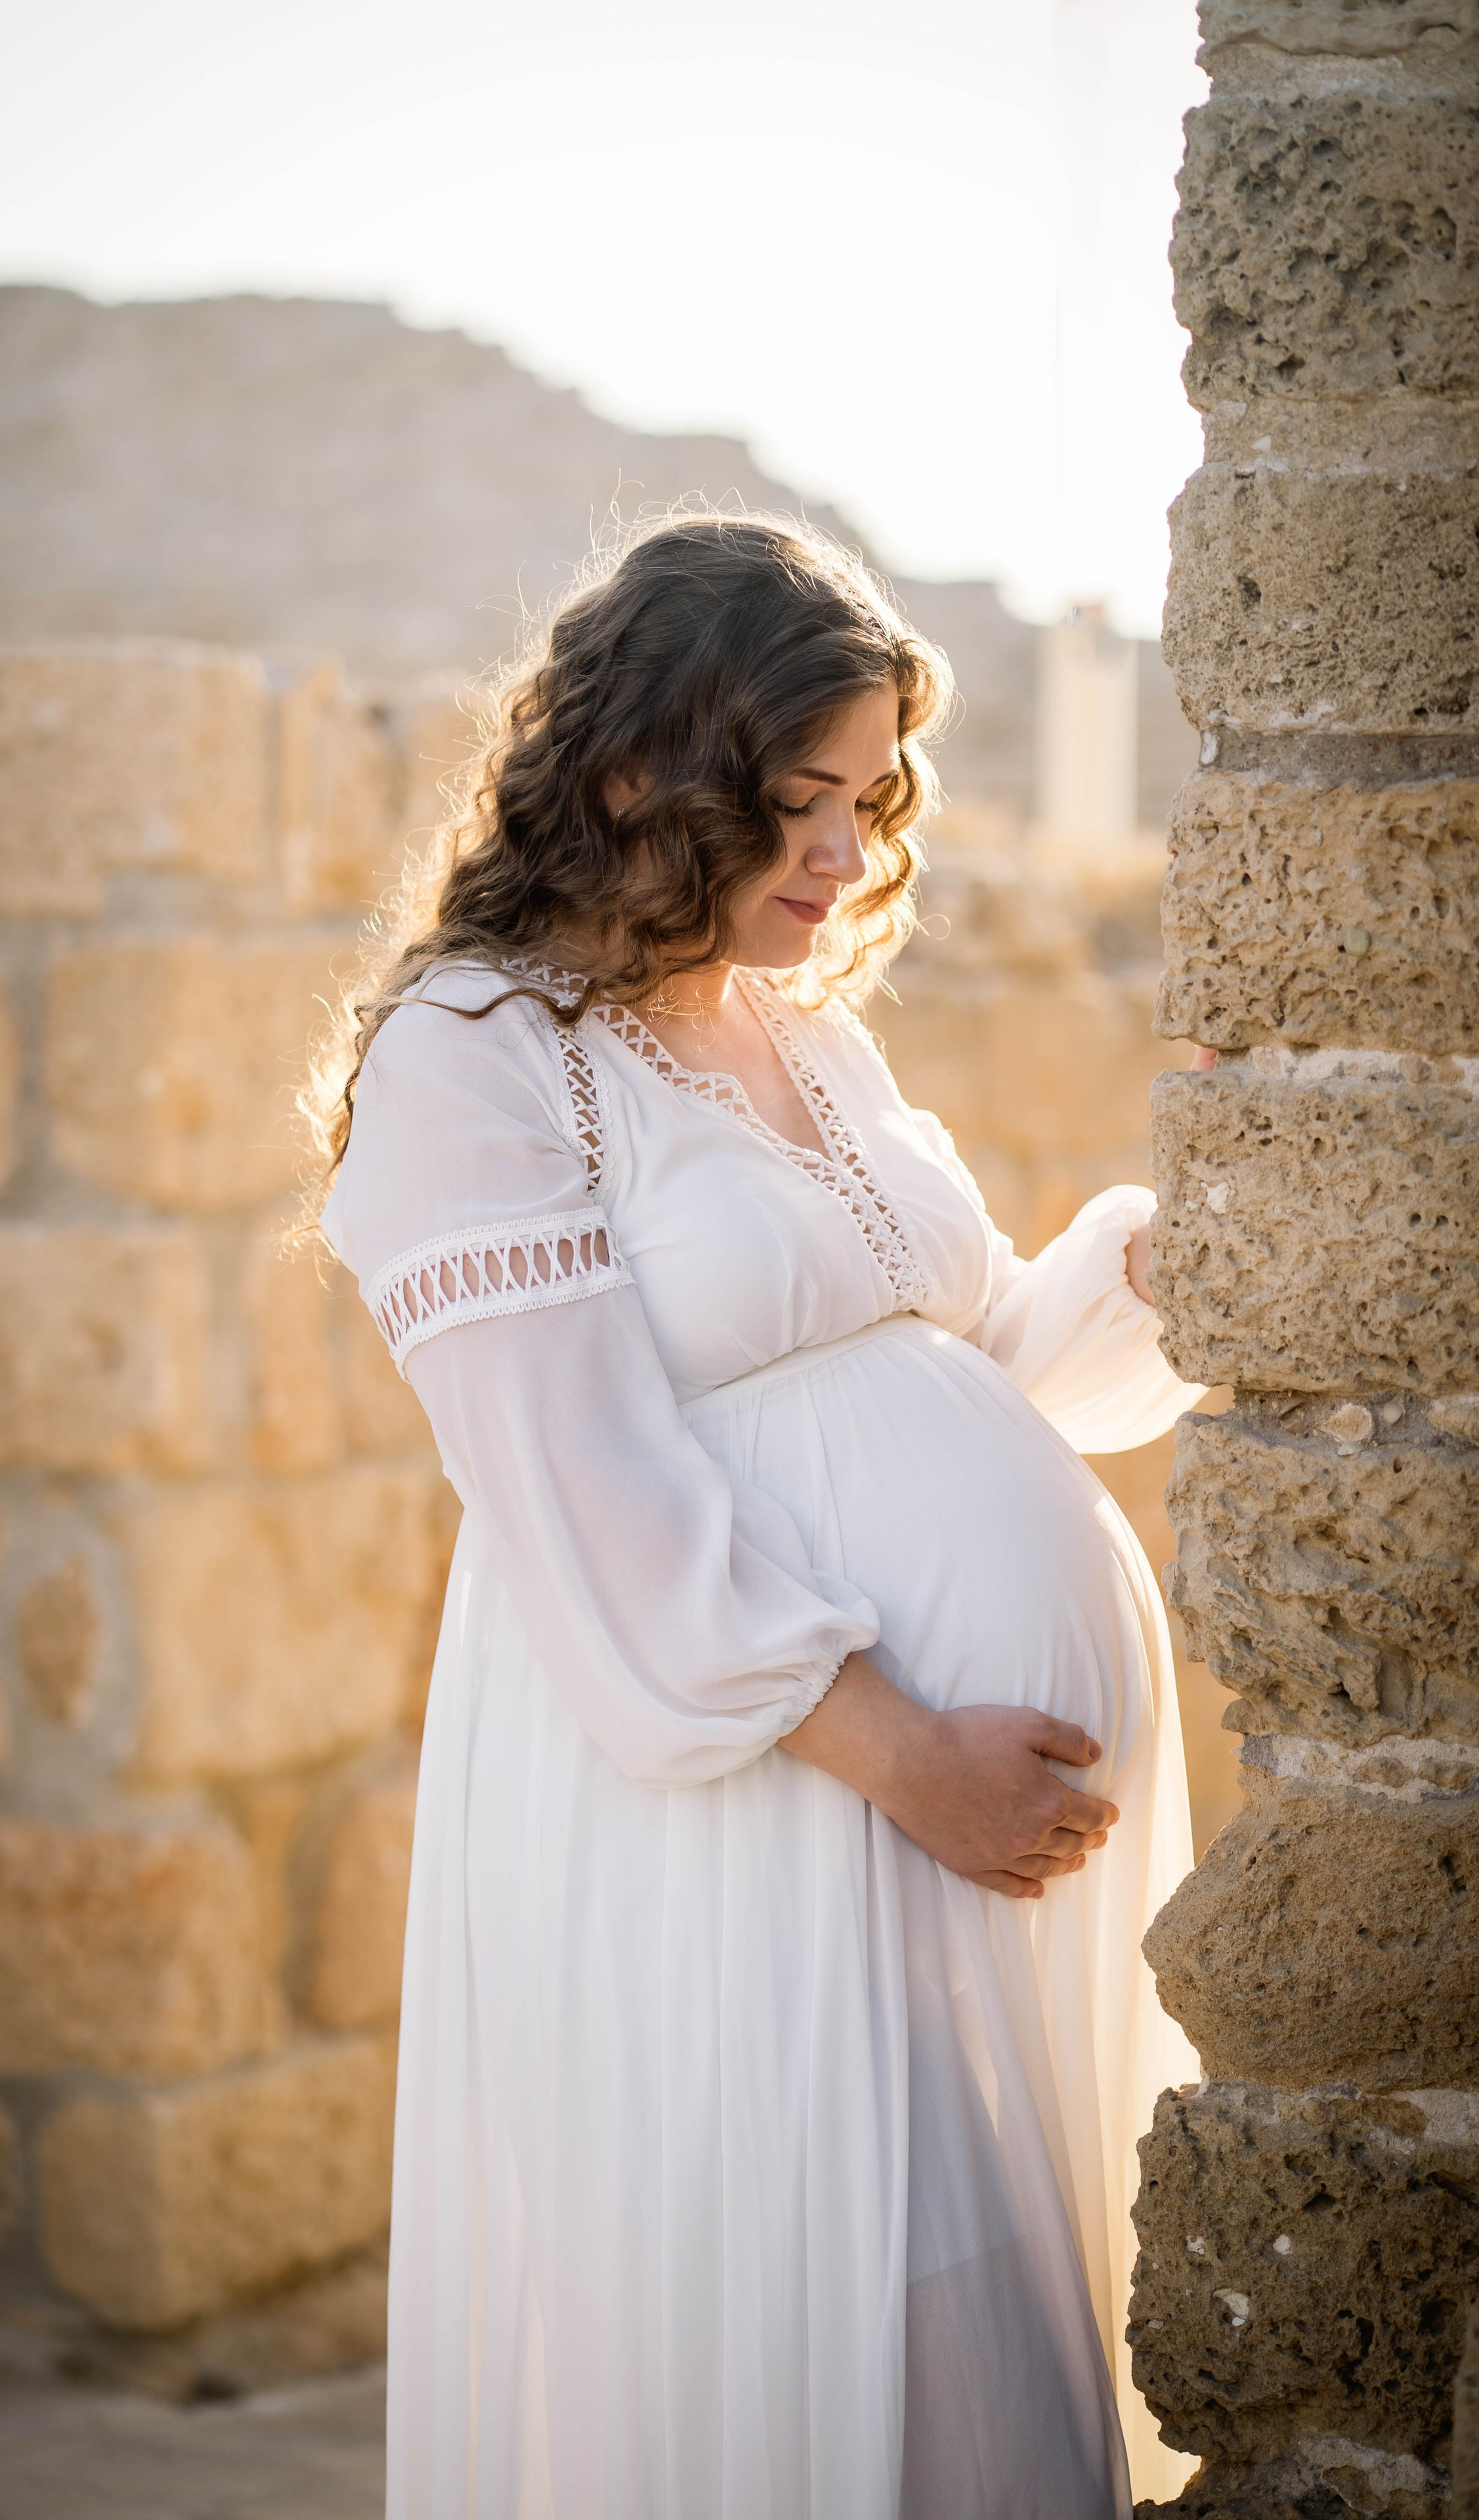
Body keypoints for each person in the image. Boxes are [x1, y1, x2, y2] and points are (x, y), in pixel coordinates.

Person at [314, 513, 1202, 2519]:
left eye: (869, 799)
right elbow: (582, 1492)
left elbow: (971, 1361)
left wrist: (1198, 1224)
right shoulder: (475, 1054)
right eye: (794, 799)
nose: (840, 849)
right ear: (637, 771)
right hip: (760, 1800)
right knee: (853, 2348)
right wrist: (904, 1756)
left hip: (922, 1825)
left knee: (978, 2334)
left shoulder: (802, 1029)